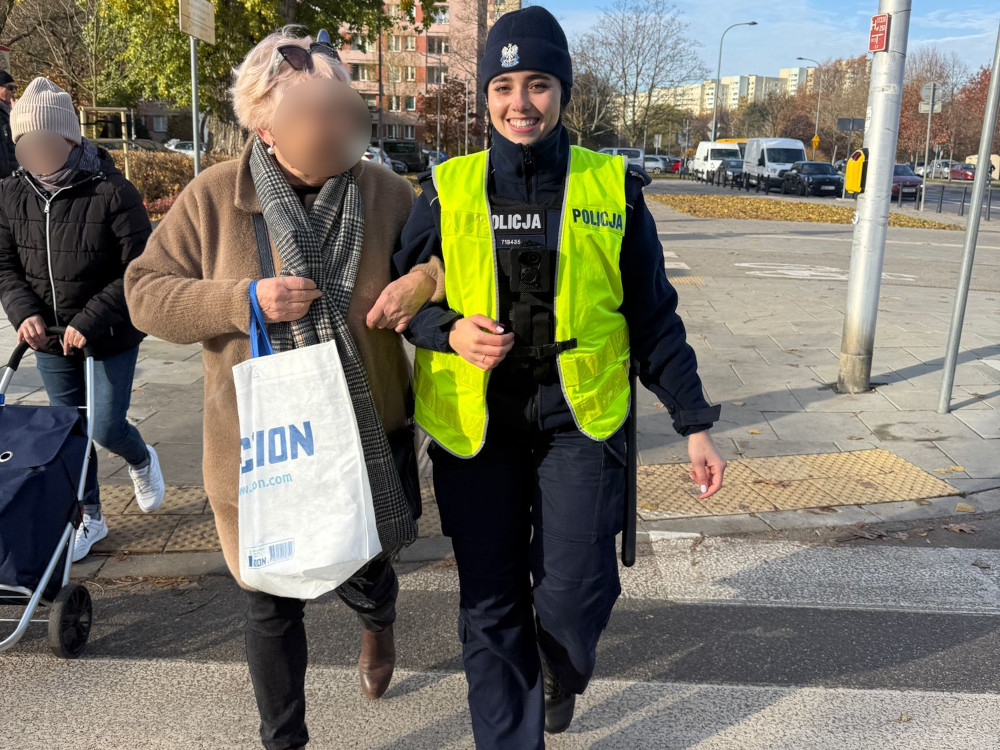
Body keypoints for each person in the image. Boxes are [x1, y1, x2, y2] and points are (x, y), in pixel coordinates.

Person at [389, 7, 726, 748]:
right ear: (485, 98)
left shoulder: (615, 188)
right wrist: (447, 330)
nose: (520, 103)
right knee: (491, 605)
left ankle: (560, 672)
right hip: (477, 432)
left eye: (538, 84)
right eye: (504, 86)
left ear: (563, 92)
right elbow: (397, 304)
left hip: (580, 424)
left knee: (575, 596)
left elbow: (653, 316)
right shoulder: (446, 190)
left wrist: (694, 422)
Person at [124, 29, 444, 750]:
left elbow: (453, 264)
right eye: (316, 113)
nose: (337, 127)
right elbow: (143, 294)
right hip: (261, 448)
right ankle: (285, 741)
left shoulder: (387, 192)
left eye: (343, 109)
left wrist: (426, 280)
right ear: (265, 126)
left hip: (368, 437)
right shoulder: (212, 198)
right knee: (269, 607)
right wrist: (242, 301)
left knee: (367, 572)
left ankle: (375, 620)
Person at [0, 76, 164, 562]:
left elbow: (139, 270)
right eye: (25, 146)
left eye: (45, 144)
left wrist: (90, 319)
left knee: (103, 426)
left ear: (71, 141)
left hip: (109, 331)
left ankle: (139, 455)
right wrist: (24, 314)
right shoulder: (10, 195)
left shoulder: (114, 192)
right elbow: (5, 265)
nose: (35, 155)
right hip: (48, 338)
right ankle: (88, 516)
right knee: (69, 431)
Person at [0, 70, 18, 178]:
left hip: (12, 176)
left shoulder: (10, 112)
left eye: (16, 88)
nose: (14, 91)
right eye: (10, 88)